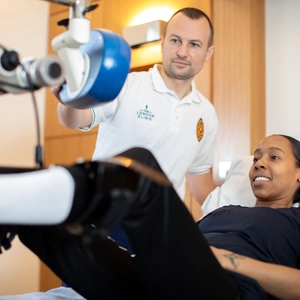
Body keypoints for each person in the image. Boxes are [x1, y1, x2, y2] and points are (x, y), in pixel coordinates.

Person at [1, 134, 300, 300]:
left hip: (223, 290)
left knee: (140, 167)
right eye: (257, 157)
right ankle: (13, 202)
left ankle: (62, 190)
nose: (259, 163)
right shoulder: (224, 211)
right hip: (156, 281)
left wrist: (221, 258)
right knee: (52, 226)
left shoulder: (295, 222)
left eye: (273, 157)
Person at [54, 6, 217, 206]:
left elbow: (200, 182)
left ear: (208, 52)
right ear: (162, 42)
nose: (182, 52)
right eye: (175, 41)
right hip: (105, 214)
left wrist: (236, 217)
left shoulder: (206, 113)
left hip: (159, 226)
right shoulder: (126, 84)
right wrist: (70, 97)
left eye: (194, 44)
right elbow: (76, 119)